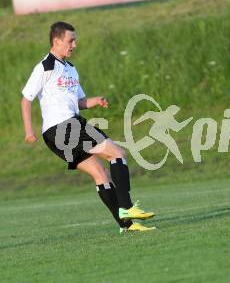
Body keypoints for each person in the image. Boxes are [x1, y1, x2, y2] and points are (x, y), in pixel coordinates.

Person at [21, 21, 155, 232]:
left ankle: (126, 225)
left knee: (100, 173)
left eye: (75, 40)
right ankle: (127, 207)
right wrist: (28, 131)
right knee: (117, 154)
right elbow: (26, 100)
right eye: (70, 40)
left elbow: (80, 102)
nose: (74, 44)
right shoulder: (45, 67)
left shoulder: (71, 69)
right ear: (56, 41)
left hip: (57, 133)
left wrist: (96, 100)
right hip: (64, 126)